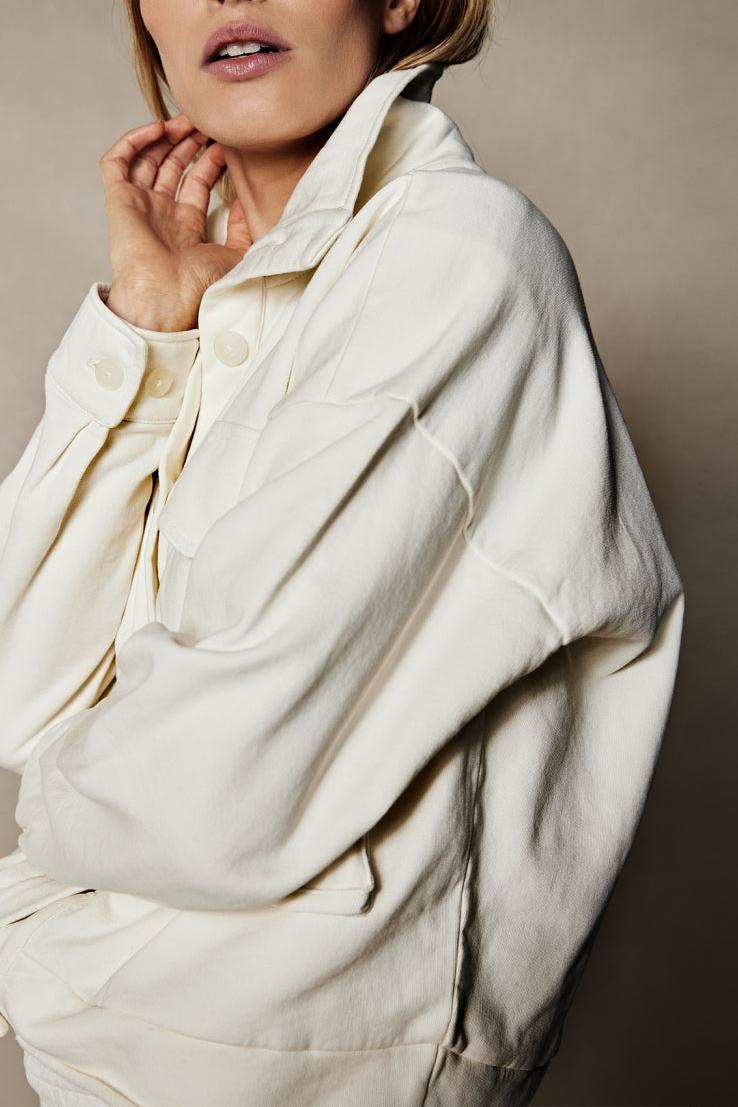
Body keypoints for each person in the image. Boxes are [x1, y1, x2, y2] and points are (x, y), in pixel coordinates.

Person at [0, 1, 685, 1105]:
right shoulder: (239, 302)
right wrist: (151, 326)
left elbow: (216, 785)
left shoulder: (455, 257)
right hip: (114, 1065)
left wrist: (39, 860)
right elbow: (20, 686)